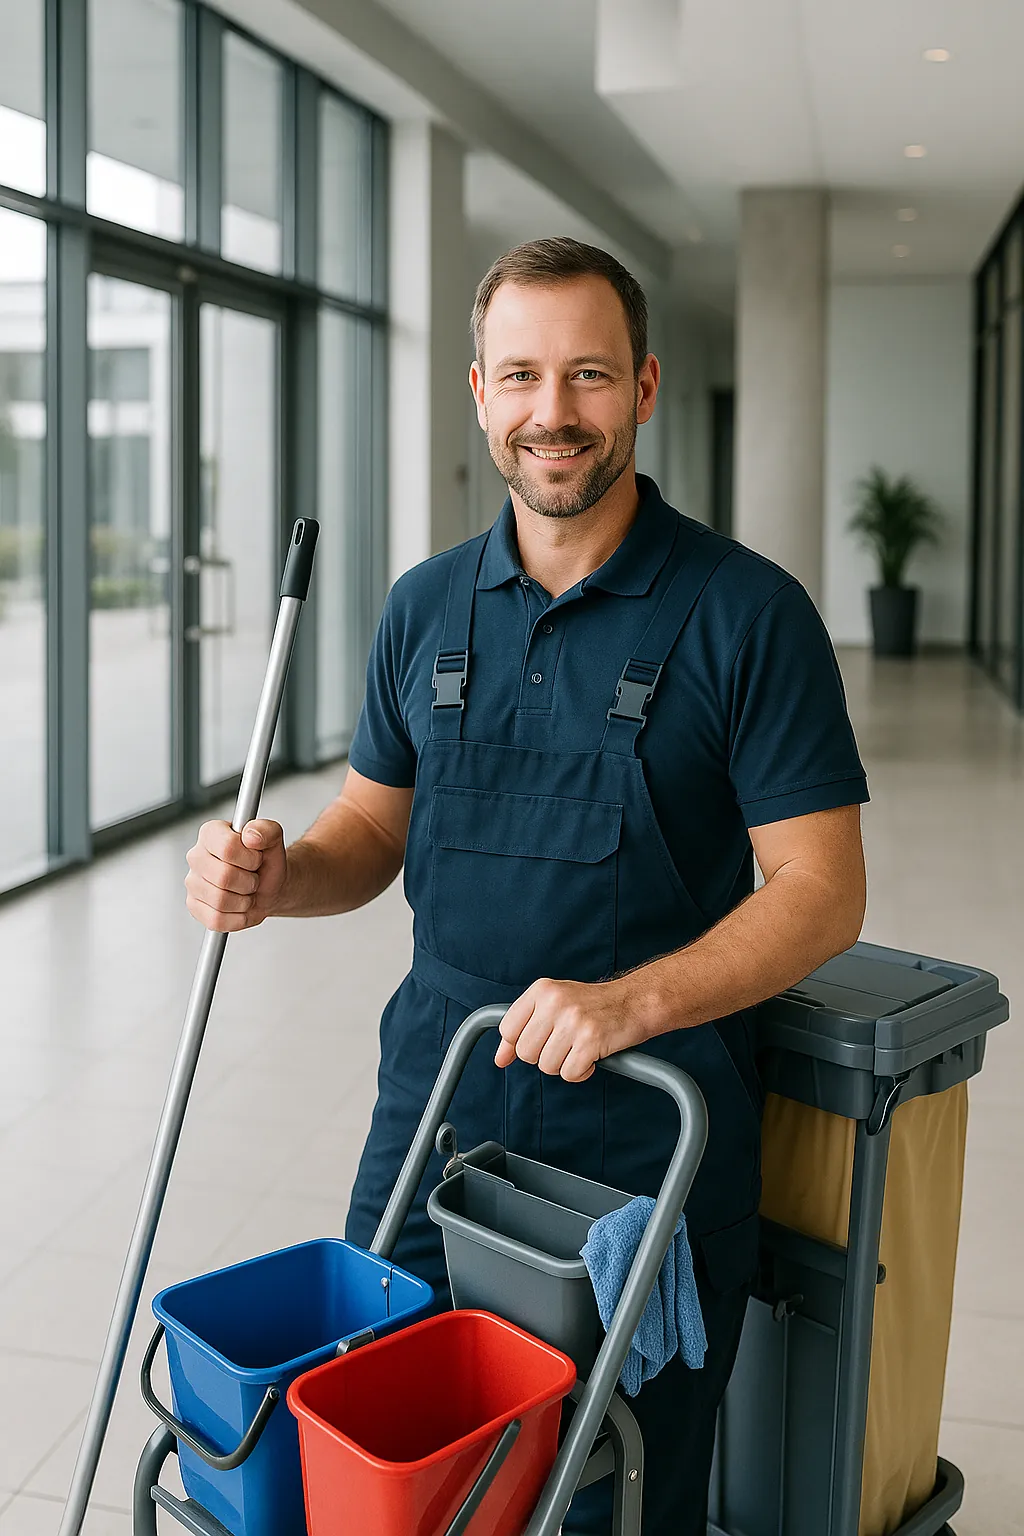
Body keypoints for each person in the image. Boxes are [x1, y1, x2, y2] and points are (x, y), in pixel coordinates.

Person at [185, 237, 868, 1534]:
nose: (553, 411)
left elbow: (823, 890)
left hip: (642, 1146)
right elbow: (368, 838)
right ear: (479, 392)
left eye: (589, 374)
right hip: (435, 1113)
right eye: (522, 376)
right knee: (396, 1467)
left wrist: (629, 1002)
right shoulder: (425, 609)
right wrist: (283, 874)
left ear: (646, 387)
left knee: (621, 1487)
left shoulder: (745, 614)